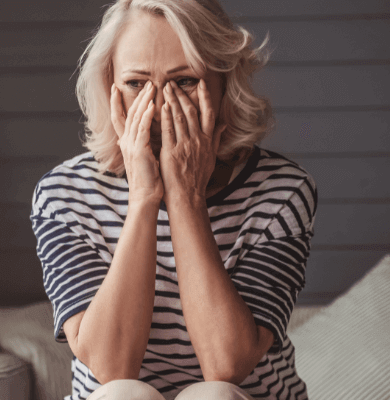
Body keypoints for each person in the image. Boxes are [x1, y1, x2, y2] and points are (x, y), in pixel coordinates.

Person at [29, 0, 317, 399]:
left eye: (184, 82)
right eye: (136, 84)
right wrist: (145, 198)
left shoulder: (281, 191)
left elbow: (226, 366)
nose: (161, 107)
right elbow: (112, 368)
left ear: (224, 85)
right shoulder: (65, 194)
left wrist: (186, 198)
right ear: (109, 87)